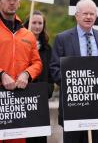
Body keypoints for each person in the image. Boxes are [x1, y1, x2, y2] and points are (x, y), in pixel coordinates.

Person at [50, 0, 98, 143]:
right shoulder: (62, 38)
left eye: (92, 14)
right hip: (73, 107)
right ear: (77, 15)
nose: (88, 17)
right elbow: (54, 68)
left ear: (96, 16)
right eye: (85, 13)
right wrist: (75, 84)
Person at [0, 0, 42, 143]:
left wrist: (27, 73)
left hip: (17, 104)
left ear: (19, 3)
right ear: (0, 1)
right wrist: (2, 74)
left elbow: (37, 63)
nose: (11, 2)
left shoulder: (28, 35)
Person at [24, 10, 54, 143]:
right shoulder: (20, 45)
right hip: (23, 100)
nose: (37, 26)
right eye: (34, 22)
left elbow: (51, 74)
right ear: (27, 24)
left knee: (40, 138)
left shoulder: (48, 49)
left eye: (40, 23)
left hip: (41, 101)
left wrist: (48, 90)